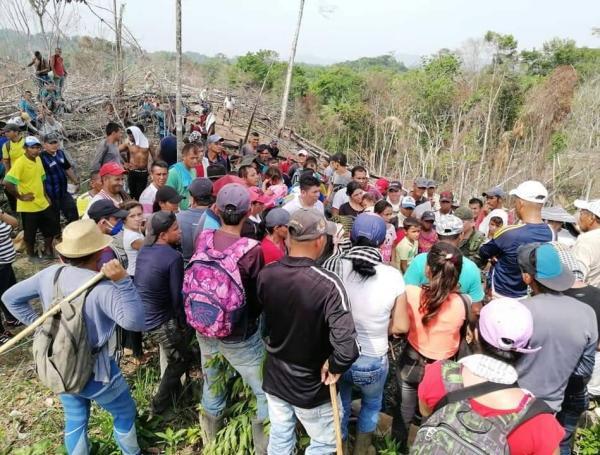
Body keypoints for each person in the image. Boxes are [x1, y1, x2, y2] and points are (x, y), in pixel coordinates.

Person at [2, 220, 145, 454]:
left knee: (76, 416)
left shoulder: (50, 274)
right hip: (96, 370)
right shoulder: (102, 288)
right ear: (100, 252)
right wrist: (123, 282)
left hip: (59, 363)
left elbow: (10, 298)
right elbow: (135, 322)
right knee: (124, 412)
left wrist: (42, 328)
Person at [258, 208, 359, 454]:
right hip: (311, 385)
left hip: (275, 377)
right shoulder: (328, 285)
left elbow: (264, 326)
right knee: (324, 443)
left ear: (289, 238)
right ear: (320, 240)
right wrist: (334, 366)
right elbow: (347, 350)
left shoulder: (267, 274)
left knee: (280, 438)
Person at [415, 298, 564, 455]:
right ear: (524, 350)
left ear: (476, 334)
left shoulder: (439, 374)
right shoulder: (539, 422)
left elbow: (425, 411)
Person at [191, 184, 267, 451]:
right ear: (248, 212)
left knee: (212, 379)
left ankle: (211, 442)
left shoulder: (204, 237)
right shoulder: (252, 249)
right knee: (264, 391)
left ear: (216, 209)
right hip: (240, 334)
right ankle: (263, 446)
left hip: (204, 324)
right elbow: (258, 296)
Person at [324, 213, 408, 454]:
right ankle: (362, 449)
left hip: (339, 355)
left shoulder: (335, 265)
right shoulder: (393, 275)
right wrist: (381, 326)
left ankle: (338, 446)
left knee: (341, 405)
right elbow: (401, 326)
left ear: (350, 236)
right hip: (373, 359)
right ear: (383, 242)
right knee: (372, 406)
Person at [392, 242, 467, 446]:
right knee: (433, 418)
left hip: (411, 362)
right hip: (443, 371)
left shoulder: (411, 293)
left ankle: (395, 448)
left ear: (427, 269)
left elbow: (398, 325)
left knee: (403, 411)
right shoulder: (464, 303)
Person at [516, 242, 597, 415]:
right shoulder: (586, 313)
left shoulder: (518, 311)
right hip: (553, 406)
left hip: (516, 401)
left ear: (527, 277)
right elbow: (584, 371)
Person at [135, 211, 191, 414]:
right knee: (181, 360)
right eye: (175, 229)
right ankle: (159, 406)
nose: (180, 232)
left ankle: (177, 394)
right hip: (161, 319)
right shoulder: (173, 257)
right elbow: (177, 296)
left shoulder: (144, 249)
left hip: (143, 314)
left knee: (173, 355)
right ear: (162, 235)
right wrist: (182, 322)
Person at [552, 241, 600, 454]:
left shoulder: (551, 297)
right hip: (583, 378)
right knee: (565, 435)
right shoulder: (597, 294)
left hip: (552, 378)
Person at [480, 181, 554, 298]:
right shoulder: (551, 232)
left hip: (502, 293)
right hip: (532, 294)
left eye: (515, 201)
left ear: (520, 203)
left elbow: (484, 251)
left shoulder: (509, 233)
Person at [404, 215, 485, 308]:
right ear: (461, 235)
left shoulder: (419, 260)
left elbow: (406, 296)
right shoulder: (472, 268)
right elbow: (476, 308)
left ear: (436, 236)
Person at [4, 136, 60, 259]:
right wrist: (20, 196)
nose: (35, 150)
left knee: (50, 228)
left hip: (42, 202)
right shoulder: (20, 163)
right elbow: (7, 183)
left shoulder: (38, 159)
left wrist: (46, 195)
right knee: (30, 233)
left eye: (37, 147)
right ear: (25, 148)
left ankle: (47, 251)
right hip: (28, 206)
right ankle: (31, 255)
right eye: (32, 148)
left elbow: (42, 178)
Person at [40, 132, 79, 223]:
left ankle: (73, 231)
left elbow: (67, 168)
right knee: (54, 218)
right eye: (51, 143)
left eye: (55, 142)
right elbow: (40, 178)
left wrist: (76, 181)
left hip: (63, 191)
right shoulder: (41, 157)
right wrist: (45, 195)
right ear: (45, 144)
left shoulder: (60, 153)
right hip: (51, 194)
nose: (54, 145)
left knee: (72, 210)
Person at [175, 178, 213, 263]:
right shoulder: (216, 219)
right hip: (207, 267)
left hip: (183, 266)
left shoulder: (177, 218)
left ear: (192, 198)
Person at [0, 209, 19, 344]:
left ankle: (11, 318)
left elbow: (15, 223)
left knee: (8, 291)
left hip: (5, 262)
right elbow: (7, 228)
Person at [572, 199, 600, 288]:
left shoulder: (587, 240)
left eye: (581, 213)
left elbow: (576, 277)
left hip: (586, 296)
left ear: (592, 217)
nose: (579, 218)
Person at [166, 143, 199, 210]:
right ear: (183, 157)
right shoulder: (173, 173)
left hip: (191, 210)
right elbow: (168, 196)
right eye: (192, 158)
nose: (195, 161)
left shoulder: (194, 170)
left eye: (196, 158)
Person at [124, 126, 152, 201]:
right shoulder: (128, 143)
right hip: (132, 172)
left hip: (143, 173)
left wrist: (152, 169)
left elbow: (154, 157)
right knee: (132, 193)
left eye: (131, 135)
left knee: (141, 194)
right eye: (129, 135)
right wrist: (124, 163)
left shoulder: (147, 143)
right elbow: (116, 151)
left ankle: (141, 210)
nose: (130, 137)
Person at [121, 201, 144, 277]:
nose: (137, 219)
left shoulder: (135, 229)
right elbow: (153, 248)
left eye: (139, 214)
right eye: (132, 216)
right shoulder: (132, 237)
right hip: (136, 275)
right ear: (124, 220)